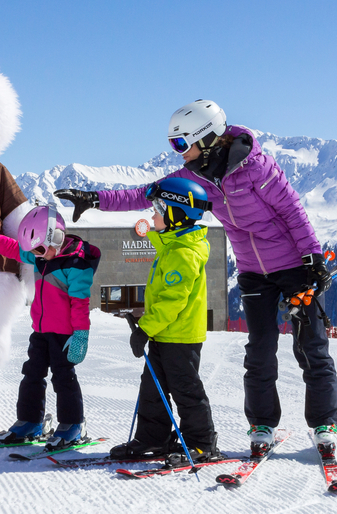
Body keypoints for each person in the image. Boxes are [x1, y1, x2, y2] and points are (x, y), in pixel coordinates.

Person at [55, 100, 337, 455]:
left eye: (180, 144)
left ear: (206, 139)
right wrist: (94, 199)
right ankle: (262, 423)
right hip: (253, 272)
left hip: (295, 266)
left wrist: (312, 255)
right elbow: (142, 194)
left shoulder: (257, 168)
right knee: (260, 351)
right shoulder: (194, 176)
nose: (177, 154)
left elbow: (291, 210)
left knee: (311, 347)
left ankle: (324, 423)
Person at [0, 205, 101, 449]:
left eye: (40, 249)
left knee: (64, 378)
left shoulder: (76, 264)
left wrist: (81, 335)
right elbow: (11, 247)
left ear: (56, 236)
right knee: (32, 374)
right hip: (41, 331)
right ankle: (31, 421)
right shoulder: (41, 254)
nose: (37, 255)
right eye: (33, 250)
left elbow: (80, 304)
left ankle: (74, 425)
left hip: (64, 335)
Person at [110, 177, 224, 464]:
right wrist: (146, 324)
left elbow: (173, 301)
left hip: (181, 336)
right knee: (152, 388)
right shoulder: (171, 248)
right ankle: (154, 438)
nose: (152, 215)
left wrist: (145, 329)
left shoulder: (184, 253)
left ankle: (201, 442)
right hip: (164, 333)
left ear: (177, 213)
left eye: (158, 209)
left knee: (185, 389)